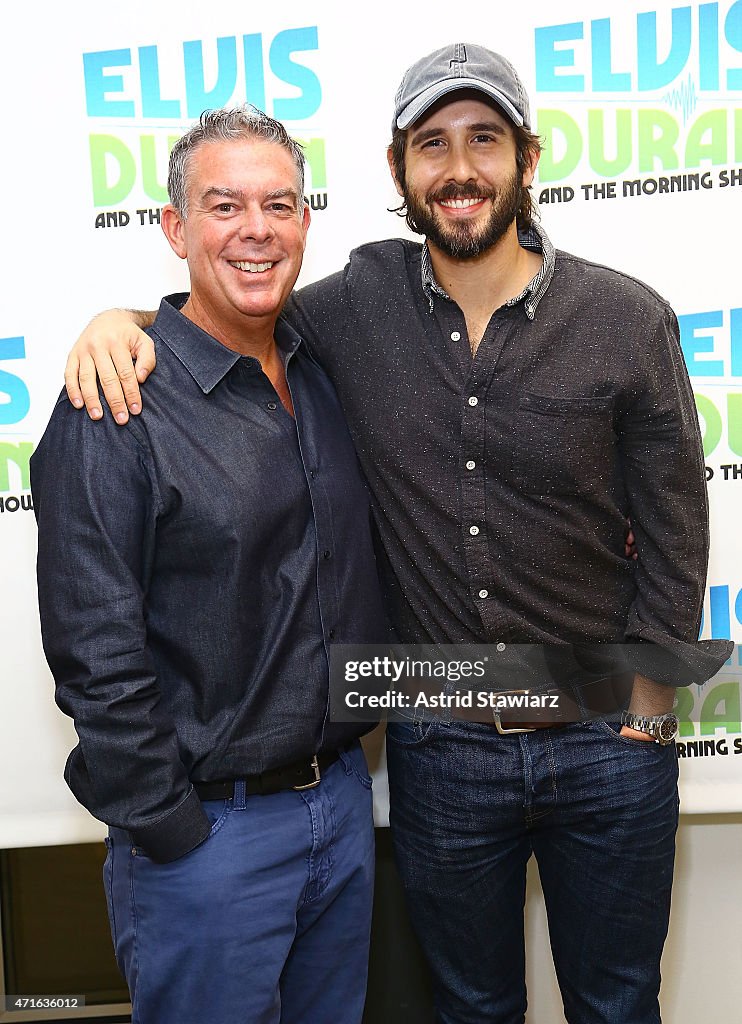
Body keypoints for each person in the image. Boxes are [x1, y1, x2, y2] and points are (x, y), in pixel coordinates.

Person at [62, 45, 732, 1024]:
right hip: (443, 746)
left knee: (619, 1001)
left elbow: (676, 517)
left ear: (526, 158)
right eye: (432, 144)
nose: (458, 168)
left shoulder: (626, 318)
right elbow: (223, 310)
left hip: (605, 742)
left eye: (483, 140)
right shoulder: (347, 309)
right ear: (399, 171)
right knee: (469, 1006)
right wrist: (117, 320)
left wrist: (646, 711)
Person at [31, 107, 389, 1024]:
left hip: (343, 812)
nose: (256, 229)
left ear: (307, 220)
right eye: (223, 206)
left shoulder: (324, 366)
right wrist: (173, 832)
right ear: (175, 229)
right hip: (207, 842)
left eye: (280, 203)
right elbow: (93, 649)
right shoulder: (115, 406)